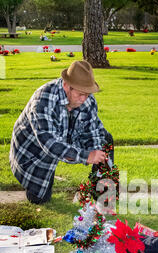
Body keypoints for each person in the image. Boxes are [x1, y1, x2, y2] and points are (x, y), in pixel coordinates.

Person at [10, 60, 112, 204]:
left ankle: (101, 192)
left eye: (87, 94)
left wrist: (96, 150)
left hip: (66, 134)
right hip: (35, 151)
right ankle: (36, 188)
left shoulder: (87, 99)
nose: (84, 99)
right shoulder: (43, 99)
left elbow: (93, 129)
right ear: (66, 85)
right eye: (81, 94)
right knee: (40, 199)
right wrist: (86, 155)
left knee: (105, 139)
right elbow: (49, 143)